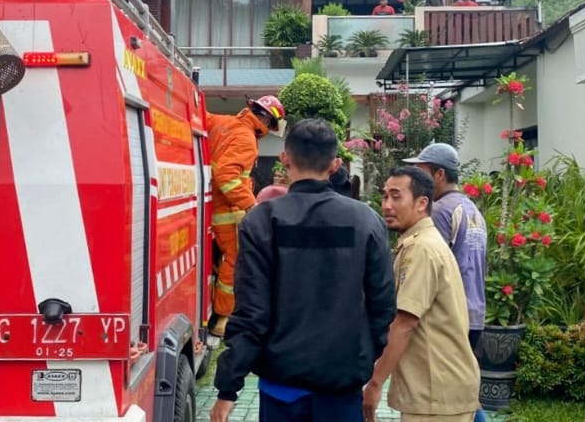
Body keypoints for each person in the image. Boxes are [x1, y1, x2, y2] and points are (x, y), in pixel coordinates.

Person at [212, 119, 396, 422]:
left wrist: (228, 389)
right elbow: (383, 306)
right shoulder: (365, 221)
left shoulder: (262, 222)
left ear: (285, 158)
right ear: (335, 165)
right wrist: (362, 355)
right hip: (342, 386)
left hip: (281, 390)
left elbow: (251, 312)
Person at [364, 165, 480, 422]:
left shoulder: (422, 249)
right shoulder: (422, 242)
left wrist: (375, 383)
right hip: (440, 390)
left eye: (396, 196)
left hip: (436, 392)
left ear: (421, 203)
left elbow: (405, 322)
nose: (387, 205)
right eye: (385, 196)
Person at [206, 94, 285, 342]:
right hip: (225, 211)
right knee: (234, 260)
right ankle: (222, 318)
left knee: (219, 260)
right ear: (267, 121)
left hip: (210, 205)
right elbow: (227, 177)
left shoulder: (222, 121)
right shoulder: (247, 139)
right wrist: (252, 206)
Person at [402, 143, 488, 356]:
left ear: (439, 174)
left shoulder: (440, 210)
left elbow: (429, 263)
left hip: (449, 316)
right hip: (475, 314)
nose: (416, 181)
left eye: (421, 173)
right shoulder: (472, 210)